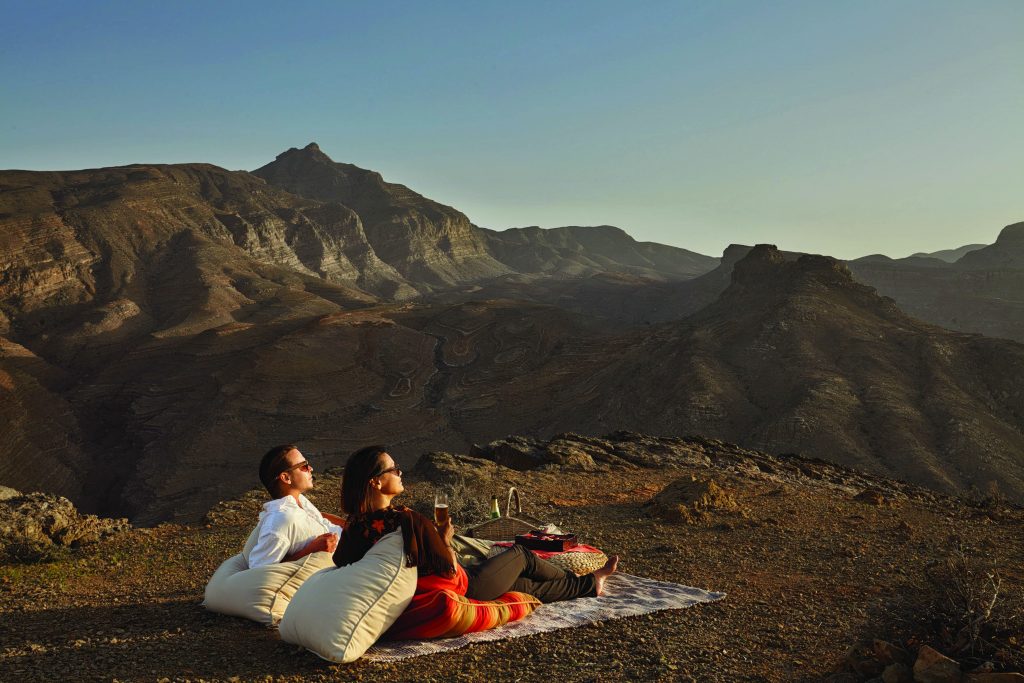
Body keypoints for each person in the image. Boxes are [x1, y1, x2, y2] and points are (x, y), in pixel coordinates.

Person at [333, 445, 618, 603]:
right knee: (522, 555)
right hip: (460, 586)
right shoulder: (404, 519)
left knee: (524, 587)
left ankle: (589, 584)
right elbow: (446, 565)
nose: (400, 473)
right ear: (376, 481)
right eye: (393, 469)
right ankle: (583, 581)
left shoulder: (355, 524)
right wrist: (444, 537)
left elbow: (343, 562)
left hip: (424, 589)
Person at [245, 444, 345, 569]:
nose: (311, 468)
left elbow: (320, 517)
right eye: (304, 466)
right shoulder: (281, 520)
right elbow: (259, 570)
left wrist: (349, 525)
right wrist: (311, 550)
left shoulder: (298, 500)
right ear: (286, 478)